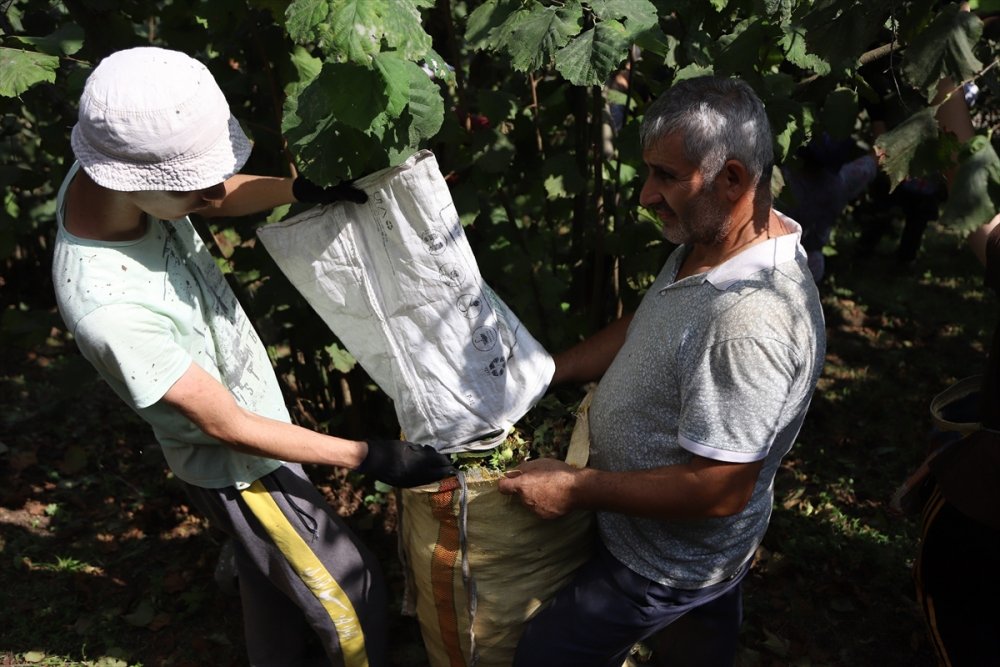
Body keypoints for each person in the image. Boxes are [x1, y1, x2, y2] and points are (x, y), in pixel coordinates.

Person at [51, 46, 455, 667]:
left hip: (255, 431)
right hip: (242, 468)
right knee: (351, 594)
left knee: (269, 584)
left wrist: (299, 189)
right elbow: (227, 426)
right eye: (195, 187)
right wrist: (369, 456)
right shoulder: (109, 310)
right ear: (133, 180)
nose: (213, 191)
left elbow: (213, 194)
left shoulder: (109, 175)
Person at [498, 75, 827, 666]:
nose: (646, 196)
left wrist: (575, 488)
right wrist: (547, 373)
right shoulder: (711, 241)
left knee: (546, 653)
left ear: (732, 179)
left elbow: (720, 488)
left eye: (666, 176)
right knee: (699, 644)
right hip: (674, 543)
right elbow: (650, 321)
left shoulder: (749, 322)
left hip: (661, 563)